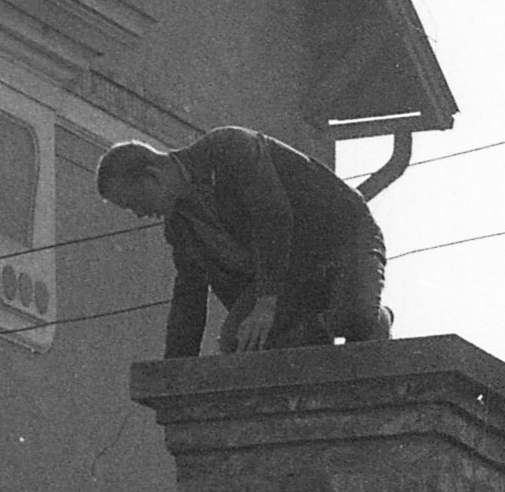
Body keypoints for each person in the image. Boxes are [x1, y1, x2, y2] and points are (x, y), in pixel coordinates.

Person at [96, 128, 390, 358]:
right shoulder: (180, 226)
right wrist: (174, 368)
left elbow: (272, 215)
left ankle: (376, 319)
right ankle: (317, 342)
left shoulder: (229, 148)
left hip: (343, 235)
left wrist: (265, 304)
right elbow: (189, 296)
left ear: (153, 175)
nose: (139, 213)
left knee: (355, 319)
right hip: (290, 270)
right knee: (241, 342)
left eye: (135, 201)